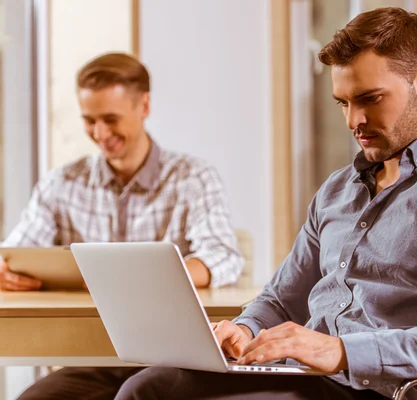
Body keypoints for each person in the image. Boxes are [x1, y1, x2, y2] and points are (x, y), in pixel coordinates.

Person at [114, 7, 417, 399]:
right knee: (149, 387)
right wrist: (245, 328)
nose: (353, 121)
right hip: (307, 377)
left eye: (370, 98)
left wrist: (343, 351)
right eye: (344, 103)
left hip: (380, 389)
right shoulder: (338, 190)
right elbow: (280, 301)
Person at [8, 52, 244, 399]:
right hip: (92, 357)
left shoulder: (192, 177)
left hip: (171, 358)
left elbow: (223, 256)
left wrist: (146, 276)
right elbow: (16, 251)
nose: (100, 133)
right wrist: (5, 268)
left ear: (144, 106)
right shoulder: (62, 183)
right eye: (89, 120)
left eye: (110, 118)